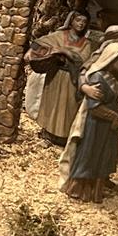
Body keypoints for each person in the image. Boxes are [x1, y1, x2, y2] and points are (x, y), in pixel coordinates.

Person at [59, 42, 118, 203]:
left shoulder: (114, 76)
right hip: (96, 126)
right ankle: (81, 189)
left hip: (106, 127)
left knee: (104, 156)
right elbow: (94, 107)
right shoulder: (98, 78)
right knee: (91, 155)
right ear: (112, 59)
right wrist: (113, 116)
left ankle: (97, 190)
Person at [27, 12, 93, 146]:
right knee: (51, 104)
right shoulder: (59, 35)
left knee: (68, 107)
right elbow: (37, 43)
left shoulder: (86, 43)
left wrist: (64, 51)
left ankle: (64, 137)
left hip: (71, 78)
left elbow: (83, 60)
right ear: (71, 21)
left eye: (84, 21)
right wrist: (35, 52)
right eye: (78, 20)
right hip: (55, 75)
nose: (81, 23)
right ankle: (48, 133)